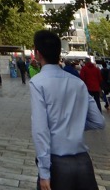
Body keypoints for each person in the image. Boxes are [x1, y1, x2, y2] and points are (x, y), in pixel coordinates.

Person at [29, 30, 104, 190]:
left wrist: (44, 172)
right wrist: (73, 125)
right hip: (83, 162)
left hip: (57, 164)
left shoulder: (38, 83)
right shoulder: (78, 83)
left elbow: (40, 130)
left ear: (38, 53)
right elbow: (98, 121)